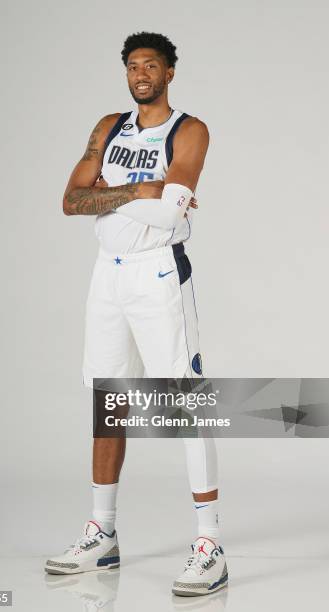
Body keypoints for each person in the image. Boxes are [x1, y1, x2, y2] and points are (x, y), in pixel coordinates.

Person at [45, 31, 228, 597]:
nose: (140, 73)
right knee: (109, 397)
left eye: (150, 64)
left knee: (183, 398)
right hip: (108, 273)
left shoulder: (188, 130)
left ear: (170, 72)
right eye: (132, 66)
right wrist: (140, 189)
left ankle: (209, 543)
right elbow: (71, 200)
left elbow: (173, 215)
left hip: (157, 273)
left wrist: (116, 190)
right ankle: (102, 533)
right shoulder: (109, 127)